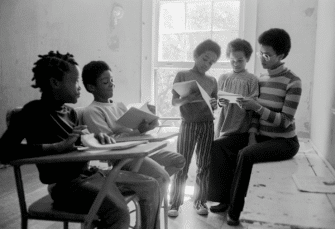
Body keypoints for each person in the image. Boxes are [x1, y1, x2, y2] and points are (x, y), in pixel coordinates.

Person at [0, 51, 162, 229]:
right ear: (55, 83)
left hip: (90, 176)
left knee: (151, 186)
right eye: (75, 81)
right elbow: (4, 151)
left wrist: (95, 139)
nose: (79, 87)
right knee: (118, 212)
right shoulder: (32, 112)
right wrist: (56, 147)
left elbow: (77, 146)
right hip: (66, 187)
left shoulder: (70, 113)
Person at [209, 28, 302, 226]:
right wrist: (252, 133)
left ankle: (235, 212)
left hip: (284, 141)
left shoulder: (293, 82)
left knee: (247, 154)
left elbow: (285, 120)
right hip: (260, 135)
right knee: (218, 146)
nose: (263, 58)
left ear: (282, 55)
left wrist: (257, 107)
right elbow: (254, 115)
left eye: (267, 55)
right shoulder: (261, 79)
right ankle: (223, 199)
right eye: (261, 53)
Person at [80, 60, 186, 205]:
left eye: (112, 80)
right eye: (105, 82)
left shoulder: (118, 105)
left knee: (178, 160)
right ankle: (149, 199)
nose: (111, 84)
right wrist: (137, 131)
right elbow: (108, 142)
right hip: (125, 157)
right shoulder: (92, 111)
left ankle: (148, 196)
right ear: (91, 87)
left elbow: (132, 129)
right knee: (162, 179)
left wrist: (147, 124)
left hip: (140, 148)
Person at [168, 39, 221, 217]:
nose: (207, 64)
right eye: (205, 59)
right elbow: (175, 102)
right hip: (188, 124)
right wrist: (187, 99)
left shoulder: (212, 81)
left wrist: (214, 103)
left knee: (204, 165)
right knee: (181, 163)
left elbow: (214, 104)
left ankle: (200, 202)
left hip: (207, 124)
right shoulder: (182, 75)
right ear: (196, 56)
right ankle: (174, 203)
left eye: (211, 62)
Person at [207, 38, 259, 213]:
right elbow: (220, 102)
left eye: (240, 60)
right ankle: (223, 200)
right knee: (223, 160)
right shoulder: (223, 77)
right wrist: (218, 102)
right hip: (225, 127)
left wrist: (242, 101)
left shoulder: (251, 79)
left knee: (221, 152)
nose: (236, 63)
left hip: (242, 129)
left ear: (247, 59)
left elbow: (253, 103)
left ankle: (230, 201)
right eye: (232, 60)